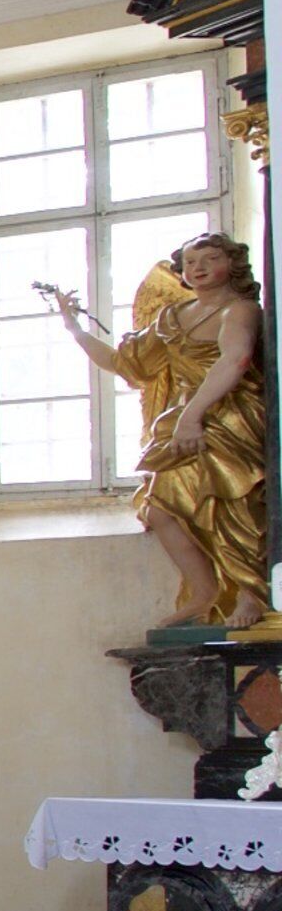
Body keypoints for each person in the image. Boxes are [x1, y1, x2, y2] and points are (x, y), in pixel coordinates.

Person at [53, 232, 271, 629]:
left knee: (234, 500)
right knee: (159, 507)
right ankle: (204, 592)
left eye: (208, 258)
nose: (198, 268)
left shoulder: (240, 310)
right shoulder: (173, 318)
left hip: (230, 416)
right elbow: (125, 364)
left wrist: (194, 415)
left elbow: (235, 360)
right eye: (190, 262)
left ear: (232, 264)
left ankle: (250, 593)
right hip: (184, 420)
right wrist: (75, 330)